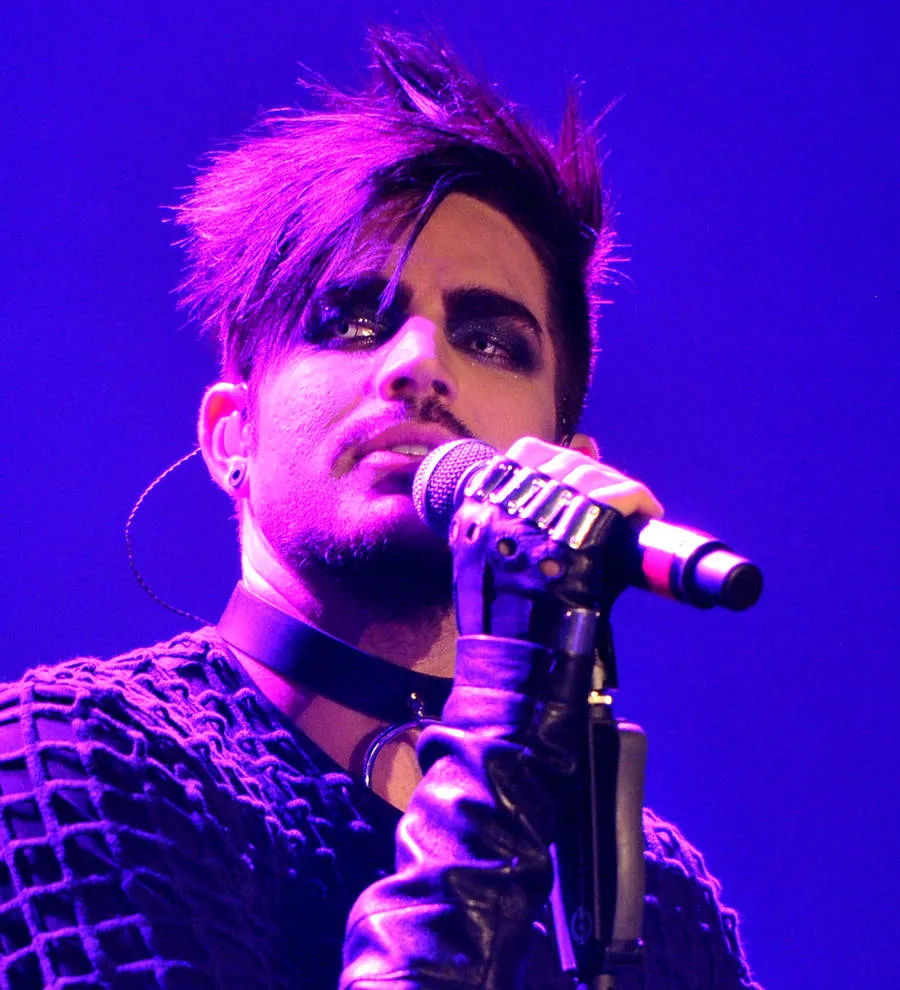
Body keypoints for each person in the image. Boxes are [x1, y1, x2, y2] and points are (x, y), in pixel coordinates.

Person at [0, 27, 761, 990]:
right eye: (354, 320)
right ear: (233, 435)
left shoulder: (647, 890)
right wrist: (502, 737)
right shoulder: (75, 756)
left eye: (491, 341)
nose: (419, 364)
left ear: (567, 469)